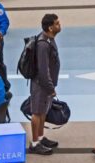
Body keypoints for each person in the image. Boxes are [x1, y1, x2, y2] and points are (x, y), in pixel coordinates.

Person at [29, 13, 61, 155]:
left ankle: (41, 137)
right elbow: (43, 69)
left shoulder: (49, 39)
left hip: (46, 84)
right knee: (37, 112)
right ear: (50, 27)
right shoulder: (43, 44)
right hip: (41, 84)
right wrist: (50, 87)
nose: (59, 25)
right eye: (57, 23)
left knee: (43, 111)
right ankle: (35, 143)